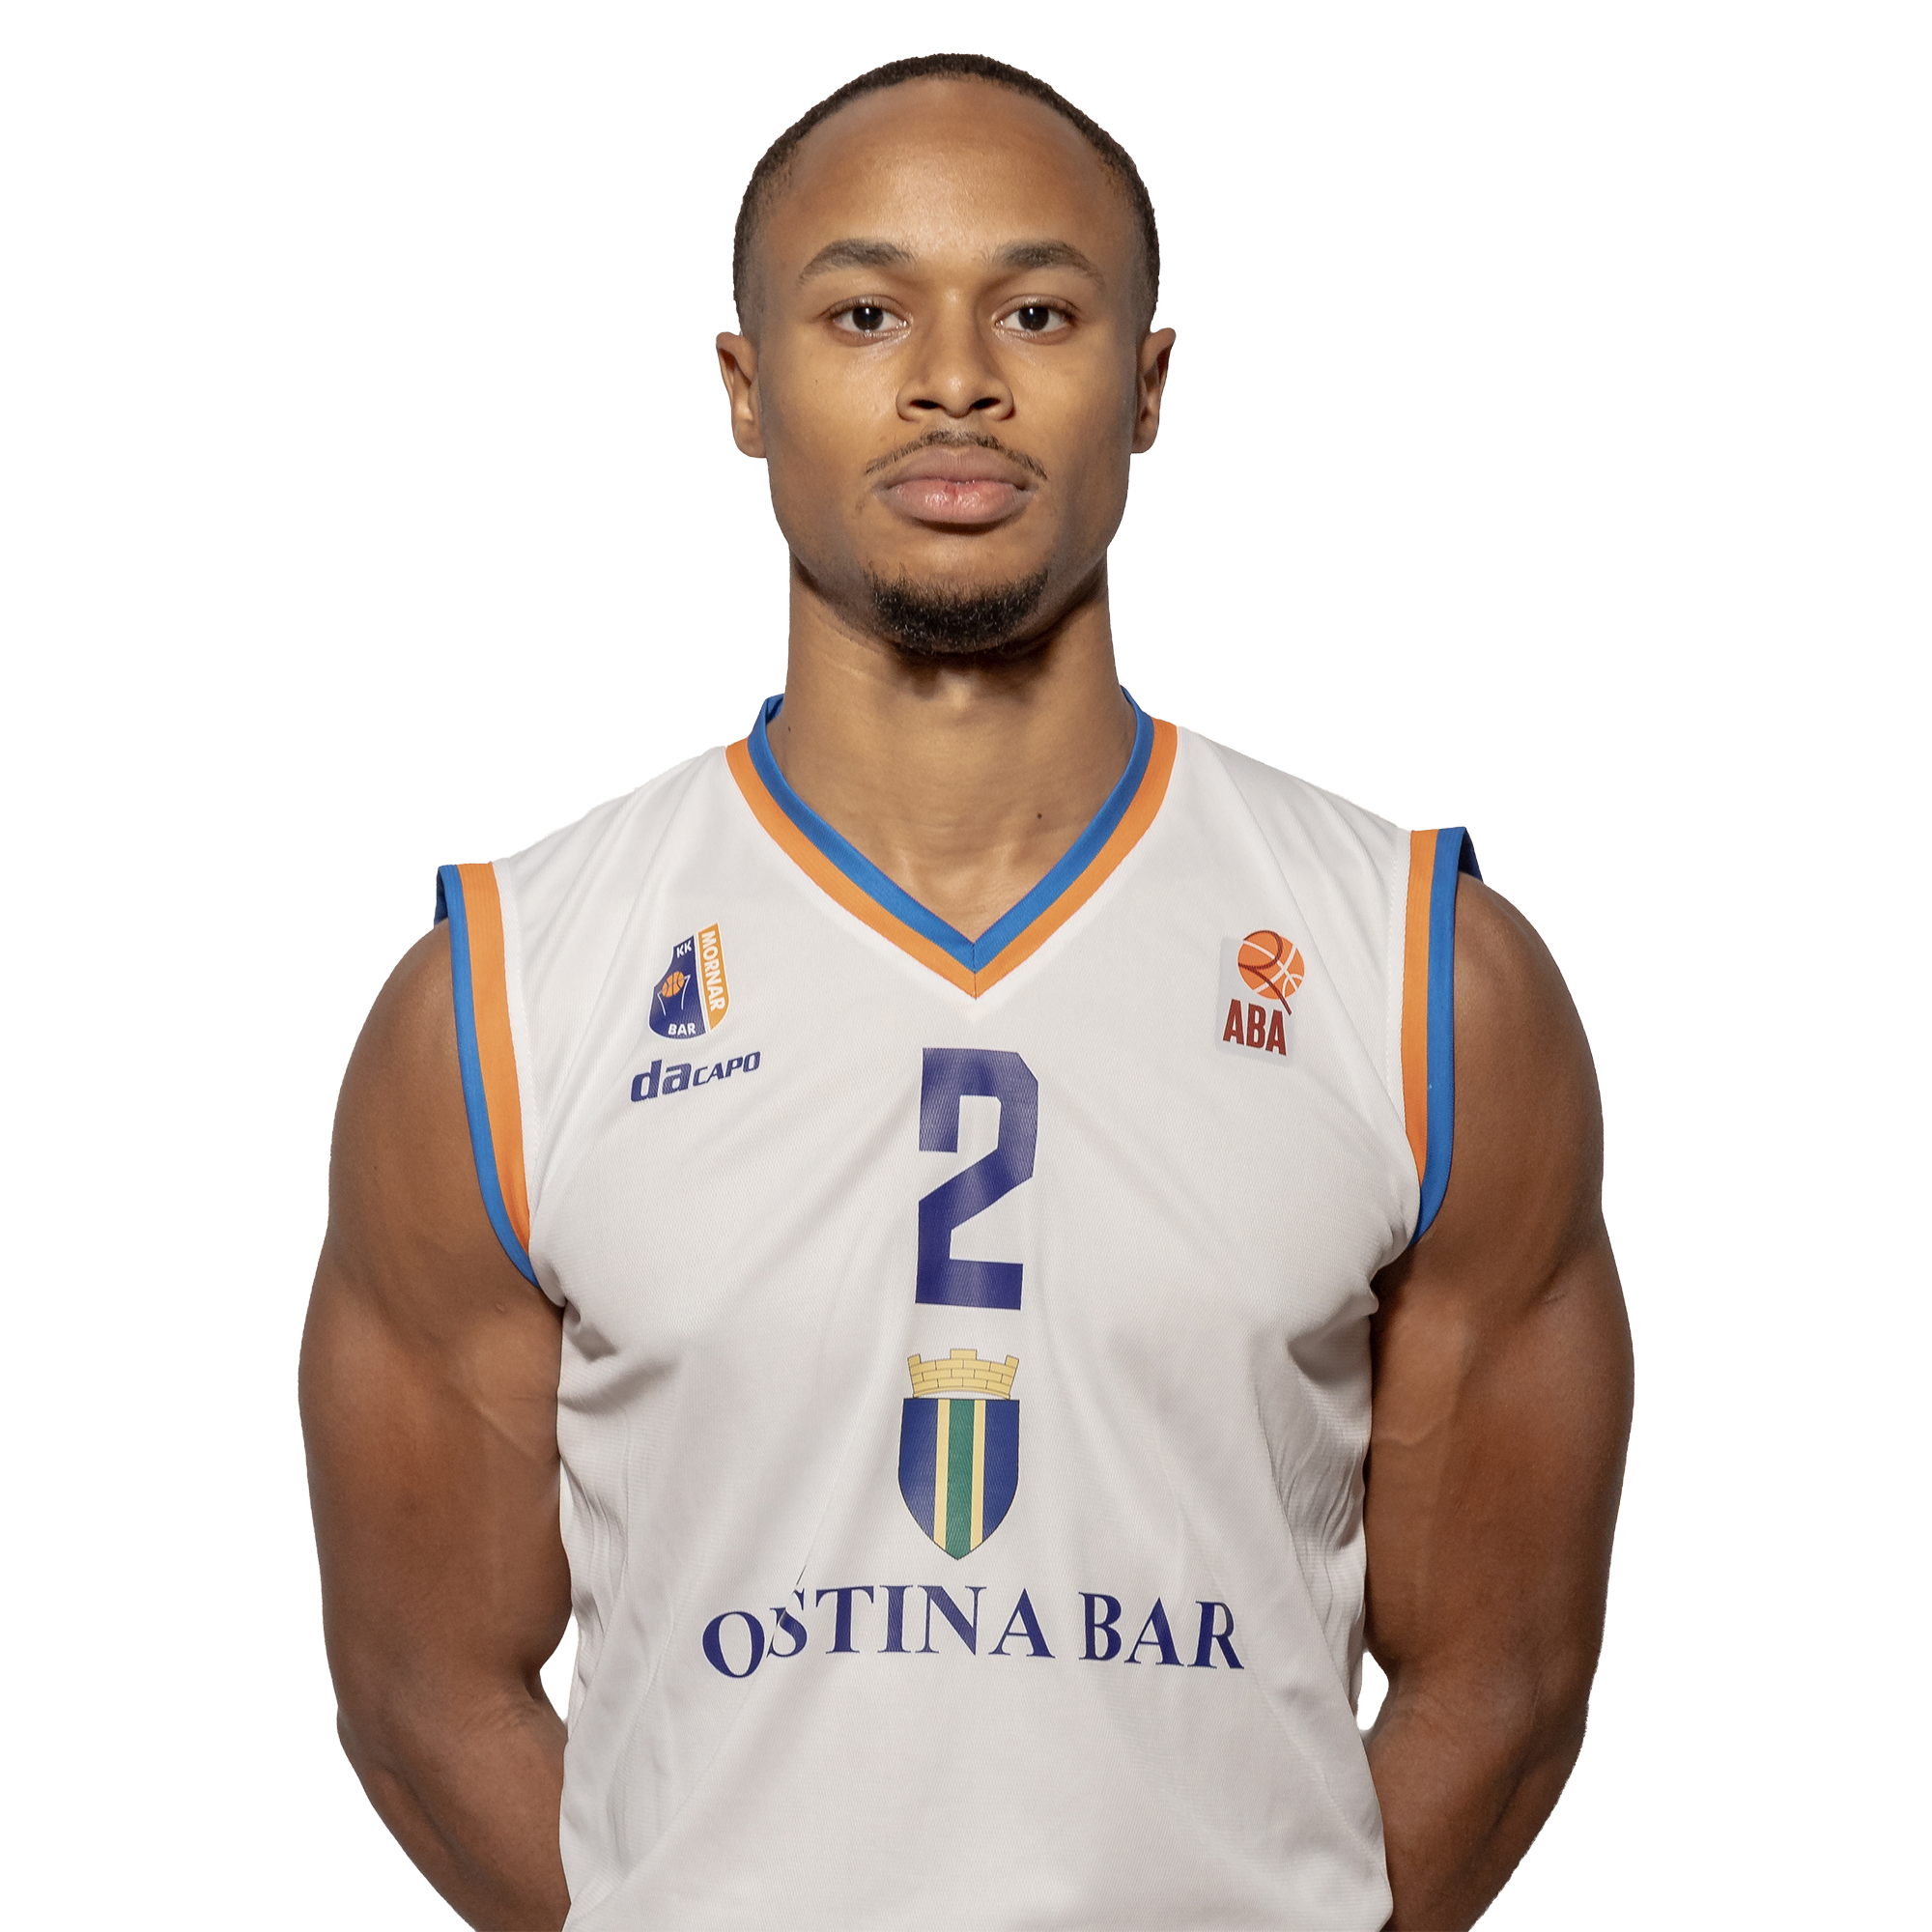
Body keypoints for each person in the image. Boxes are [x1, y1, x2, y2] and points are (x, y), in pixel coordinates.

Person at [300, 52, 1633, 1932]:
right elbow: (423, 1690)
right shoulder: (504, 999)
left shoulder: (1427, 975)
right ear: (745, 388)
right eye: (865, 312)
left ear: (1146, 386)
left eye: (1037, 311)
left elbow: (1504, 1682)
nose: (954, 378)